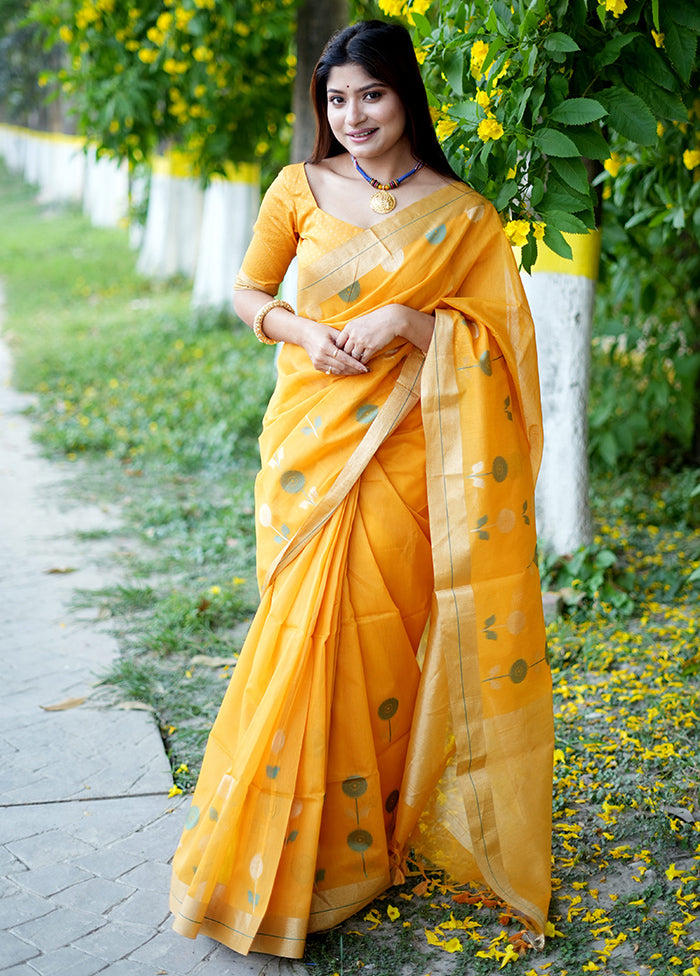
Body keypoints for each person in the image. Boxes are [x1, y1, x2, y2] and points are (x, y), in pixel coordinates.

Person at [169, 19, 553, 959]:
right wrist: (302, 334)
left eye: (371, 96)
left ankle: (360, 839)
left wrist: (406, 322)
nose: (352, 117)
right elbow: (250, 294)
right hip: (310, 440)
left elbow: (499, 351)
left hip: (411, 450)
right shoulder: (298, 190)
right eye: (336, 101)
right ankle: (272, 843)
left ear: (405, 97)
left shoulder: (462, 215)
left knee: (381, 642)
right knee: (302, 634)